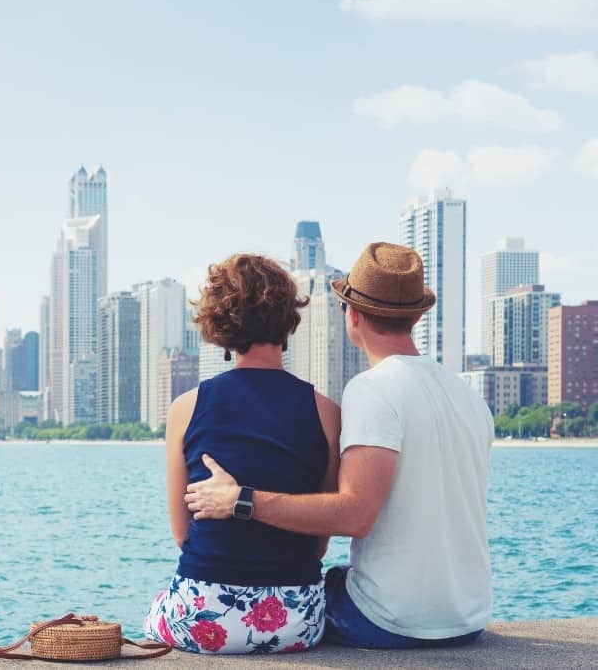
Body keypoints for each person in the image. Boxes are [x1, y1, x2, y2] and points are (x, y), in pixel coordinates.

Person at [185, 242, 494, 650]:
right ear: (418, 315)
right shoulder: (469, 395)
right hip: (467, 620)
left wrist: (241, 501)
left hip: (392, 621)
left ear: (353, 314)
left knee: (309, 592)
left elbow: (355, 516)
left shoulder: (373, 390)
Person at [144, 254, 340, 654]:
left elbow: (183, 535)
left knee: (151, 616)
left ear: (220, 328)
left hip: (201, 620)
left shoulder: (186, 407)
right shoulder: (327, 413)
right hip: (295, 623)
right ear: (288, 321)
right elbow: (319, 544)